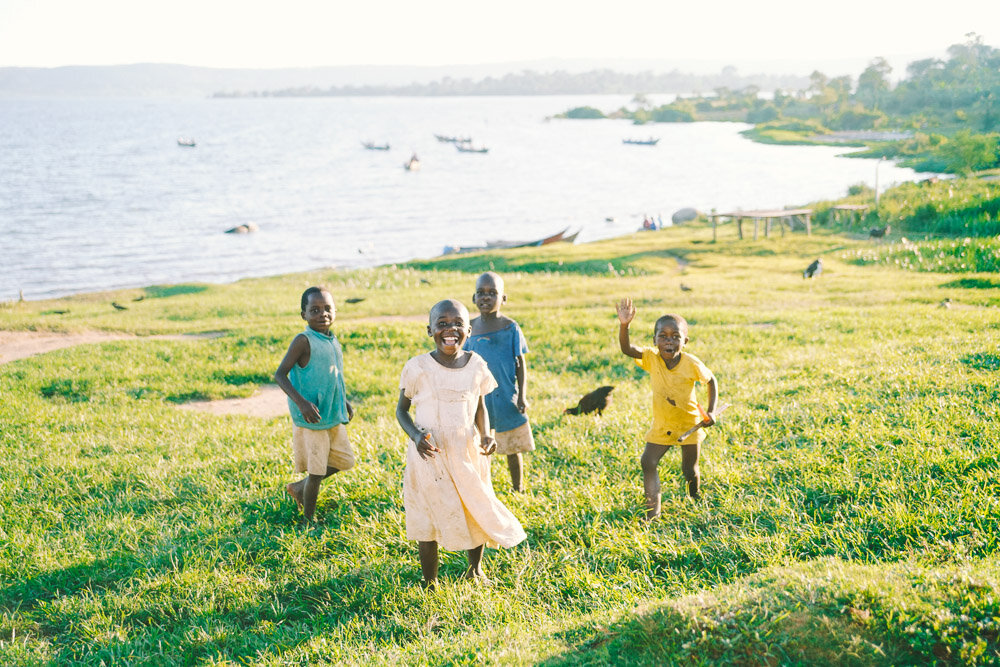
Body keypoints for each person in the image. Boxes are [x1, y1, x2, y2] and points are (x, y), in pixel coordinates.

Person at [396, 299, 526, 587]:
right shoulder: (418, 368)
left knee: (474, 506)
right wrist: (416, 436)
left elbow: (480, 407)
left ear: (469, 330)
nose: (450, 329)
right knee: (428, 515)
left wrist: (486, 434)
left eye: (457, 324)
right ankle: (430, 581)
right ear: (429, 330)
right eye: (442, 324)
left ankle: (475, 570)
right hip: (429, 455)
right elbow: (401, 411)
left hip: (466, 451)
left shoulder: (476, 365)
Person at [615, 297, 718, 519]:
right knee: (648, 462)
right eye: (662, 336)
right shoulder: (651, 358)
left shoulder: (691, 363)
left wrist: (710, 411)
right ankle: (652, 513)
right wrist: (625, 326)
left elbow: (711, 381)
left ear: (685, 341)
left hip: (689, 423)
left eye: (675, 337)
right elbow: (627, 349)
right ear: (654, 340)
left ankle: (695, 496)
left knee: (689, 470)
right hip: (663, 425)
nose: (668, 341)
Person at [275, 286, 355, 522]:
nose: (323, 314)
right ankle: (309, 521)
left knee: (345, 460)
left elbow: (333, 376)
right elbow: (280, 375)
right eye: (315, 310)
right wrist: (302, 404)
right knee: (317, 472)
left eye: (327, 308)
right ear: (304, 315)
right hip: (312, 417)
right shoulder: (303, 341)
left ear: (335, 311)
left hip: (331, 413)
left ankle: (299, 487)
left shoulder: (331, 339)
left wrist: (343, 400)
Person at [465, 272, 534, 492]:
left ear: (503, 298)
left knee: (512, 447)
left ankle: (518, 487)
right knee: (479, 447)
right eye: (481, 293)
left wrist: (522, 395)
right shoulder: (468, 329)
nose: (485, 297)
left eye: (492, 293)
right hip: (479, 400)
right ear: (473, 298)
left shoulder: (510, 328)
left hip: (505, 396)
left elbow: (520, 363)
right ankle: (482, 489)